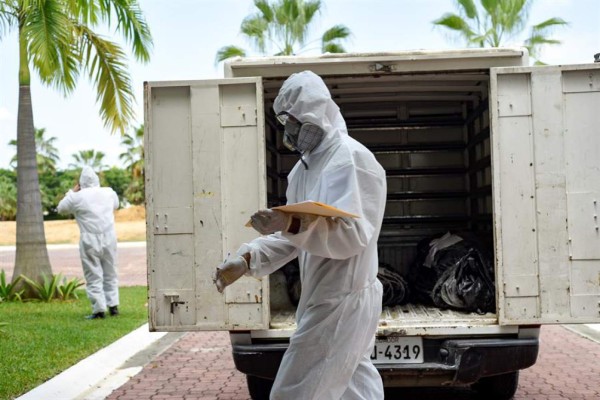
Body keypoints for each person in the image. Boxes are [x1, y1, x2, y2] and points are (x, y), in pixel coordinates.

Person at [215, 70, 387, 399]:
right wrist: (248, 257)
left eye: (293, 121)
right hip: (326, 296)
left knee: (295, 392)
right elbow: (294, 237)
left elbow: (351, 236)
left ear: (315, 113)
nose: (289, 131)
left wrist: (289, 222)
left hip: (343, 298)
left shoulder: (351, 160)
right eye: (284, 122)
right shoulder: (304, 169)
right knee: (354, 388)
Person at [57, 166, 120, 319]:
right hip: (109, 236)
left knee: (93, 274)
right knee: (110, 272)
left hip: (89, 238)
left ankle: (99, 310)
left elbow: (61, 209)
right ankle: (113, 306)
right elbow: (116, 205)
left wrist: (72, 192)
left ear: (81, 182)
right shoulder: (109, 192)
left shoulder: (76, 197)